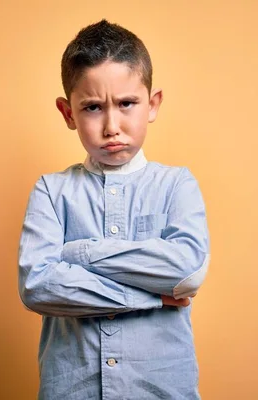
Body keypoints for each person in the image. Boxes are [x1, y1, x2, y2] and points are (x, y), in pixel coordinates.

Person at [18, 19, 210, 399]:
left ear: (152, 105)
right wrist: (151, 296)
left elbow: (187, 272)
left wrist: (79, 253)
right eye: (92, 107)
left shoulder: (177, 185)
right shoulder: (51, 192)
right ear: (68, 113)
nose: (111, 126)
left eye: (126, 104)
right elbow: (37, 286)